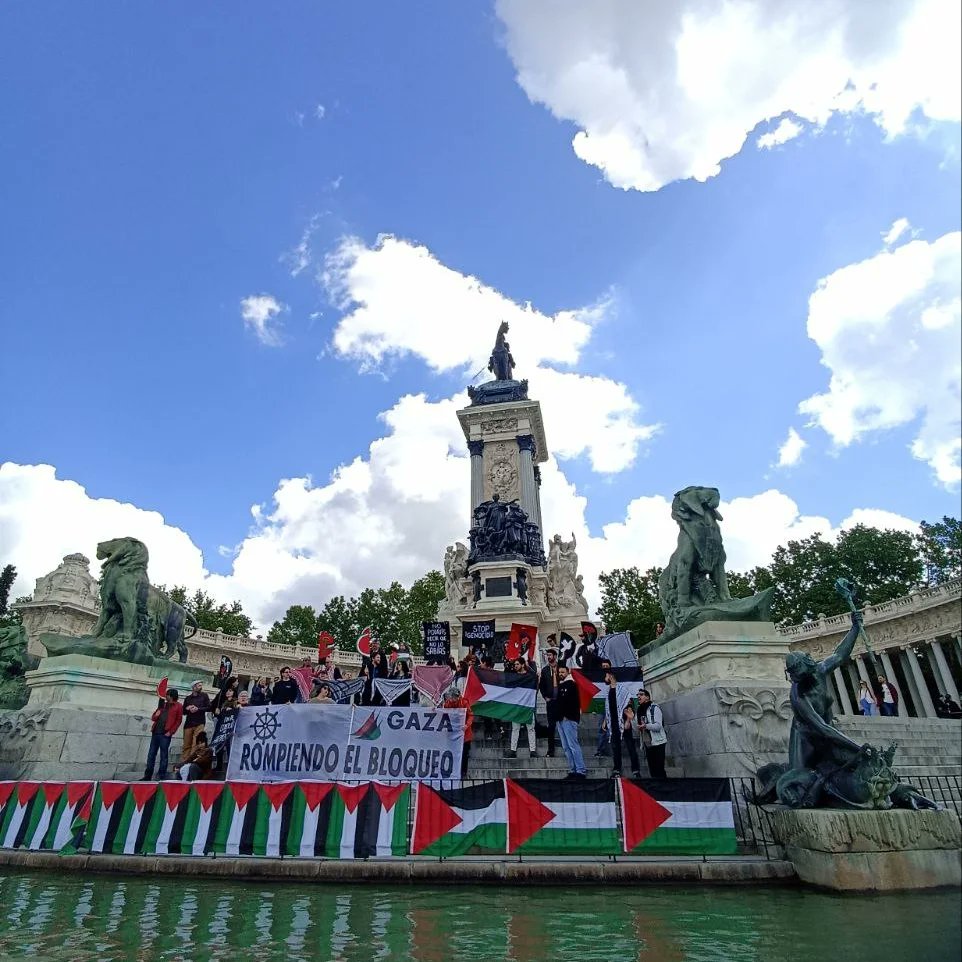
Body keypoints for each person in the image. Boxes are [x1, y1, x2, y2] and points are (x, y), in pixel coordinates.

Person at [142, 688, 183, 781]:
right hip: (156, 732)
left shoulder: (178, 706)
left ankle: (161, 775)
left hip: (165, 734)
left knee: (164, 755)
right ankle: (148, 775)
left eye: (167, 695)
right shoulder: (162, 705)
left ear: (171, 696)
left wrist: (171, 731)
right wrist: (156, 714)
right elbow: (153, 717)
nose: (166, 696)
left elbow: (178, 721)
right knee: (151, 754)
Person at [555, 665, 586, 779]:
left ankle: (580, 770)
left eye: (563, 672)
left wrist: (568, 716)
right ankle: (573, 769)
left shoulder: (572, 685)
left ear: (568, 672)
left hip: (569, 719)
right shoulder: (560, 685)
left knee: (573, 745)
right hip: (560, 720)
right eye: (559, 672)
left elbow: (574, 703)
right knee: (566, 746)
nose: (561, 674)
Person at [608, 672, 641, 778]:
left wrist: (627, 721)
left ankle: (636, 770)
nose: (604, 678)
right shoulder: (609, 690)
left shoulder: (622, 690)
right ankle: (617, 769)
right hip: (613, 724)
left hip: (623, 723)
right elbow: (609, 708)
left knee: (630, 746)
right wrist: (605, 721)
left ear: (611, 676)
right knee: (615, 747)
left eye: (606, 675)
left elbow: (629, 707)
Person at [504, 658, 536, 758]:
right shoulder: (514, 676)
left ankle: (533, 750)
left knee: (530, 728)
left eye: (517, 664)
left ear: (522, 664)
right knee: (515, 728)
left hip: (527, 705)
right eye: (515, 664)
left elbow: (535, 676)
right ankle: (513, 750)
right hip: (517, 705)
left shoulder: (530, 676)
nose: (515, 666)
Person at [443, 686, 474, 779]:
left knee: (464, 754)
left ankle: (463, 772)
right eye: (450, 697)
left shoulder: (464, 702)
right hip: (453, 733)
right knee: (453, 753)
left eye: (453, 697)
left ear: (457, 696)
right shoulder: (447, 703)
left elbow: (471, 715)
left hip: (465, 733)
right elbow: (444, 713)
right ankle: (453, 771)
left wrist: (467, 725)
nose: (451, 699)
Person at [637, 689, 667, 778]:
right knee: (652, 770)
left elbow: (658, 726)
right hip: (648, 743)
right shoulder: (639, 710)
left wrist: (646, 726)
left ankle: (664, 788)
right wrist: (631, 719)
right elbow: (637, 728)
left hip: (658, 742)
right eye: (637, 695)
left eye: (641, 694)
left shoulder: (654, 708)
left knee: (659, 769)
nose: (639, 696)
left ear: (647, 697)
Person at [538, 646, 561, 757]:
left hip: (561, 701)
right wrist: (545, 697)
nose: (548, 657)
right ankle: (550, 750)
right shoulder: (545, 670)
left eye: (550, 655)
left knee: (563, 725)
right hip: (550, 701)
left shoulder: (561, 668)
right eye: (547, 655)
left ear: (555, 656)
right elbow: (541, 685)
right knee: (551, 726)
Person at [181, 681, 212, 760]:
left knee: (196, 744)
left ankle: (191, 763)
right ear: (193, 687)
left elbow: (209, 707)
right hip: (188, 723)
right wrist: (187, 709)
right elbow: (183, 712)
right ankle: (184, 762)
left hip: (199, 722)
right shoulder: (188, 698)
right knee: (186, 745)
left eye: (201, 685)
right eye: (199, 685)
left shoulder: (204, 696)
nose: (200, 687)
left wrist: (198, 709)